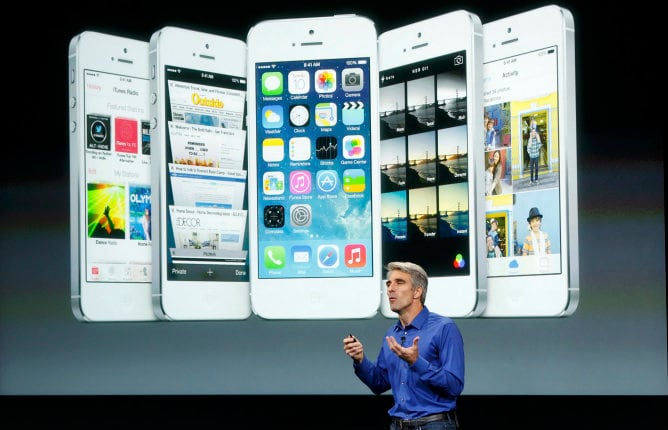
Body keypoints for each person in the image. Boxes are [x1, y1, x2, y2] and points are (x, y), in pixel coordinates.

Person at [343, 261, 464, 430]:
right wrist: (360, 359)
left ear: (417, 291)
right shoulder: (392, 333)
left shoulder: (444, 328)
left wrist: (417, 362)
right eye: (389, 283)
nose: (391, 288)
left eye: (399, 282)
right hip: (398, 425)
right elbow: (379, 383)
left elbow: (454, 386)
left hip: (435, 425)